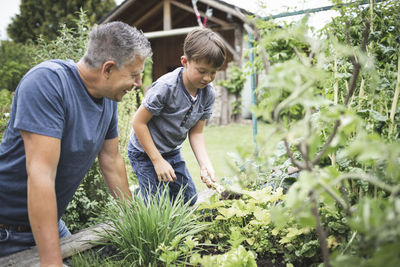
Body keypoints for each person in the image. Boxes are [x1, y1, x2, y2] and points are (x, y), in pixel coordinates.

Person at [0, 21, 152, 266]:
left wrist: (137, 225)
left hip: (49, 224)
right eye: (134, 75)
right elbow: (41, 175)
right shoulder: (47, 83)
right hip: (6, 231)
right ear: (108, 69)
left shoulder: (108, 99)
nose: (137, 83)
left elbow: (111, 161)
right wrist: (52, 263)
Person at [128, 27, 226, 206]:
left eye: (213, 72)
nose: (207, 78)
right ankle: (140, 202)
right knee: (156, 207)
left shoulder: (207, 94)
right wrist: (157, 160)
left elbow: (196, 133)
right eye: (202, 70)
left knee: (188, 200)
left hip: (171, 151)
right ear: (185, 61)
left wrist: (205, 165)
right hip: (143, 151)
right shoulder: (166, 87)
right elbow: (138, 123)